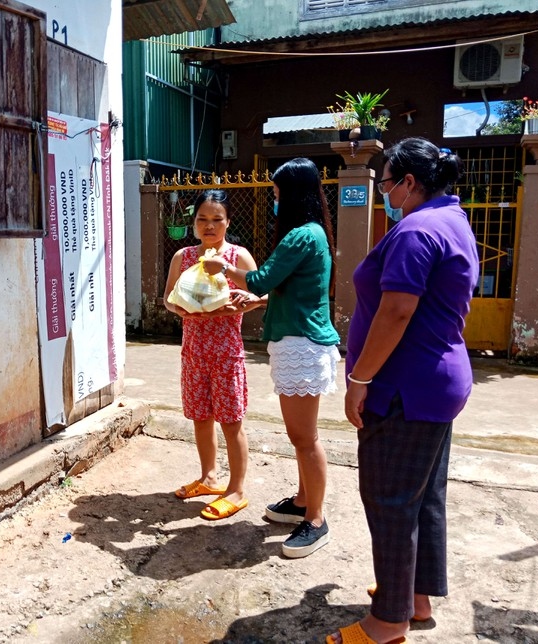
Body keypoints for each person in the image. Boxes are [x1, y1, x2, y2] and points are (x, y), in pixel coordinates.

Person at [327, 138, 479, 644]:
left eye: (388, 182)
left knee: (389, 498)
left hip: (405, 388)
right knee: (422, 494)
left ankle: (388, 622)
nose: (385, 192)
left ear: (410, 183)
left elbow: (396, 311)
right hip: (436, 381)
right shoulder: (453, 220)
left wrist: (359, 379)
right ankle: (414, 597)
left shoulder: (417, 230)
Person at [203, 157, 340, 558]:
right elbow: (290, 290)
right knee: (300, 437)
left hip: (302, 344)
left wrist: (222, 267)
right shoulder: (313, 234)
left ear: (293, 194)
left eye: (278, 193)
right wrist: (259, 299)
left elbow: (263, 276)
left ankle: (315, 519)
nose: (275, 199)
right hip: (297, 341)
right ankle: (302, 501)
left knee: (305, 438)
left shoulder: (300, 236)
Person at [164, 189, 261, 521]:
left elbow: (261, 294)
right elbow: (168, 299)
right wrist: (182, 309)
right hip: (193, 351)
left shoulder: (238, 257)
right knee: (200, 418)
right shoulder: (184, 257)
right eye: (202, 219)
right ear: (194, 223)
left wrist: (239, 302)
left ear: (228, 222)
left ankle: (236, 490)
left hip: (226, 353)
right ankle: (208, 478)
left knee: (231, 422)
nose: (209, 226)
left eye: (217, 219)